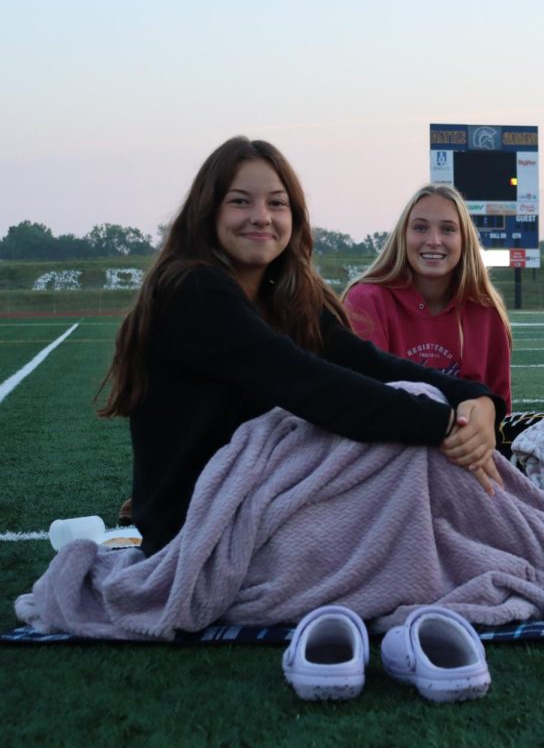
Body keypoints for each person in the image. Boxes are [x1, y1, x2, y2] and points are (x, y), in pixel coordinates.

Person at [100, 138, 504, 556]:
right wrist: (443, 425)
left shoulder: (285, 294)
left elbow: (366, 362)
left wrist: (476, 399)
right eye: (241, 202)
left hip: (255, 503)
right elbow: (311, 386)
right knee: (404, 457)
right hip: (195, 528)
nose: (261, 217)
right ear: (208, 211)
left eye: (277, 204)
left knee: (418, 462)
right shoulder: (193, 290)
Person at [342, 185, 512, 412]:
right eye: (420, 228)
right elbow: (363, 401)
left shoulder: (486, 312)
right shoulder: (366, 301)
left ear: (465, 240)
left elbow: (498, 412)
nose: (434, 240)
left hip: (463, 446)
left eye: (448, 229)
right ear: (403, 236)